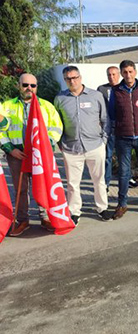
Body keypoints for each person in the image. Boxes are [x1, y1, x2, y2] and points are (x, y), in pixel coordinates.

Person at [1, 73, 63, 236]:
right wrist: (9, 148)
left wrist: (45, 145)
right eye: (25, 84)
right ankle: (23, 220)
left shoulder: (46, 106)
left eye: (32, 85)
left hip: (39, 155)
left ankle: (45, 217)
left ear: (36, 87)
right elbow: (1, 129)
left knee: (42, 185)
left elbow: (56, 127)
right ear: (18, 86)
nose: (29, 88)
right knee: (21, 189)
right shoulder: (6, 106)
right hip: (16, 154)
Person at [54, 66, 112, 224]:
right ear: (65, 80)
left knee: (99, 179)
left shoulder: (96, 96)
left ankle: (102, 208)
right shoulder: (60, 99)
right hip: (71, 148)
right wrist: (59, 142)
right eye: (68, 79)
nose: (72, 81)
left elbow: (106, 120)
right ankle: (74, 211)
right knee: (72, 183)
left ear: (80, 77)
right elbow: (55, 123)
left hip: (95, 145)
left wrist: (104, 140)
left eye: (75, 77)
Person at [108, 60, 138, 219]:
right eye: (125, 72)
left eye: (130, 71)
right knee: (124, 172)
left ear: (135, 72)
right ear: (121, 74)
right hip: (123, 138)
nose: (128, 75)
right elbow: (112, 113)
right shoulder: (115, 91)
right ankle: (122, 204)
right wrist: (123, 125)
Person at [97, 66, 120, 190]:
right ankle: (106, 182)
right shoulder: (102, 89)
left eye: (114, 74)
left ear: (119, 75)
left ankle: (126, 180)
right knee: (107, 157)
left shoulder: (124, 87)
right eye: (109, 75)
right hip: (108, 128)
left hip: (122, 127)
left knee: (124, 157)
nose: (111, 77)